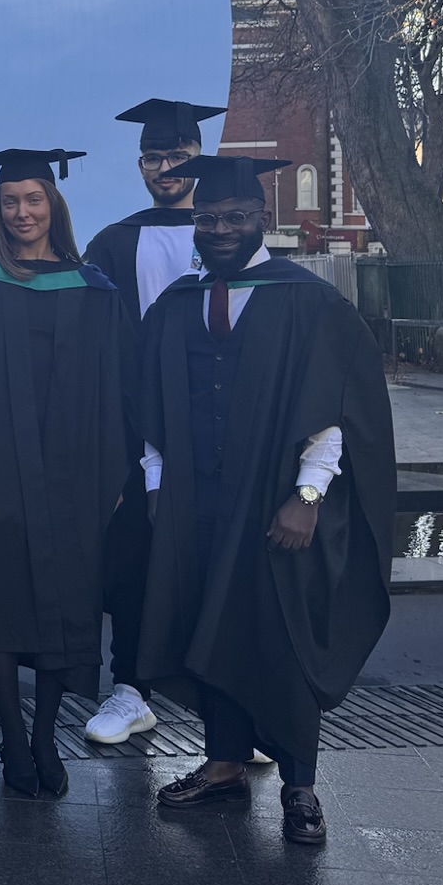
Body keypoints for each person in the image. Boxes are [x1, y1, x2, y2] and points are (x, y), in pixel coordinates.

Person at [137, 155, 395, 847]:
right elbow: (150, 408)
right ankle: (223, 765)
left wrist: (308, 494)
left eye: (234, 218)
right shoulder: (176, 306)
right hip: (197, 500)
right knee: (210, 624)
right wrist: (160, 487)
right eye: (207, 218)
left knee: (277, 634)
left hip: (275, 499)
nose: (219, 229)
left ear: (260, 220)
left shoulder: (304, 301)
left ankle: (300, 785)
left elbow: (335, 411)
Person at [0, 148, 131, 797]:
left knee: (64, 602)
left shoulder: (91, 288)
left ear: (53, 205)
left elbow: (110, 388)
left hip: (70, 469)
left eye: (33, 200)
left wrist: (111, 472)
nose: (22, 212)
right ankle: (14, 741)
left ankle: (47, 736)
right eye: (10, 202)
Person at [80, 97, 225, 747]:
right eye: (152, 157)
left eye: (176, 156)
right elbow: (97, 354)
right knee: (134, 563)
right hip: (139, 435)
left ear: (199, 156)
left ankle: (228, 708)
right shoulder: (113, 244)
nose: (164, 167)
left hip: (219, 432)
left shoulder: (228, 231)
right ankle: (131, 689)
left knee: (220, 568)